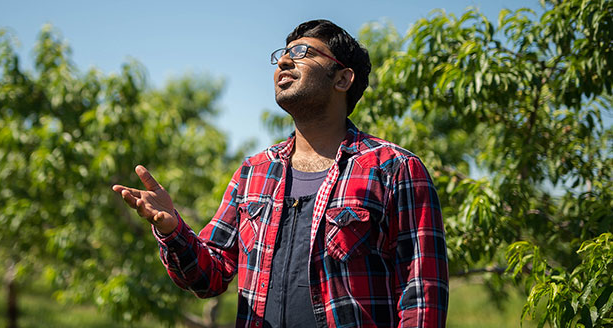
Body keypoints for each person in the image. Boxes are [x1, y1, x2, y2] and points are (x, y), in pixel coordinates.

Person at [113, 19, 449, 327]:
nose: (284, 62)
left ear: (343, 78)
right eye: (282, 56)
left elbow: (422, 294)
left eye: (302, 53)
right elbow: (209, 276)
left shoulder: (394, 168)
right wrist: (172, 228)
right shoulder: (254, 172)